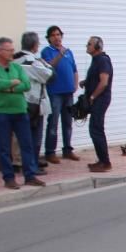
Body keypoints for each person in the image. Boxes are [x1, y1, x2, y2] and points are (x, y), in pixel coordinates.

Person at [0, 37, 45, 190]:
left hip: (20, 111)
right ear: (0, 51)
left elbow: (26, 85)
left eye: (12, 49)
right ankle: (9, 178)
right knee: (4, 147)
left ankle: (30, 175)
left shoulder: (17, 67)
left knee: (27, 144)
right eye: (9, 50)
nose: (12, 52)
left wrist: (8, 87)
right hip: (1, 112)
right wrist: (12, 83)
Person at [14, 31, 53, 172]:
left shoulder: (14, 59)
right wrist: (46, 64)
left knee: (21, 136)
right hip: (34, 103)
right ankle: (32, 165)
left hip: (18, 102)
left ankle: (22, 162)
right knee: (35, 136)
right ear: (35, 45)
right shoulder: (33, 61)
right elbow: (49, 75)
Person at [41, 25, 80, 164]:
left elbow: (74, 69)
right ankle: (50, 152)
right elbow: (49, 66)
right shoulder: (47, 51)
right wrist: (60, 54)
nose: (57, 37)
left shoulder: (69, 52)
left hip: (68, 92)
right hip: (55, 93)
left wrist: (75, 84)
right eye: (53, 35)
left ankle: (67, 150)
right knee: (53, 122)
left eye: (59, 34)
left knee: (68, 122)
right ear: (49, 38)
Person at [82, 36, 113, 172]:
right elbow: (96, 78)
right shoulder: (96, 60)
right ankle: (101, 160)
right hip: (97, 99)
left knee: (96, 129)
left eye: (89, 44)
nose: (87, 46)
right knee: (95, 129)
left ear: (97, 47)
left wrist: (93, 96)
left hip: (100, 99)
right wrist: (86, 82)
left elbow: (104, 81)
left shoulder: (102, 60)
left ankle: (105, 162)